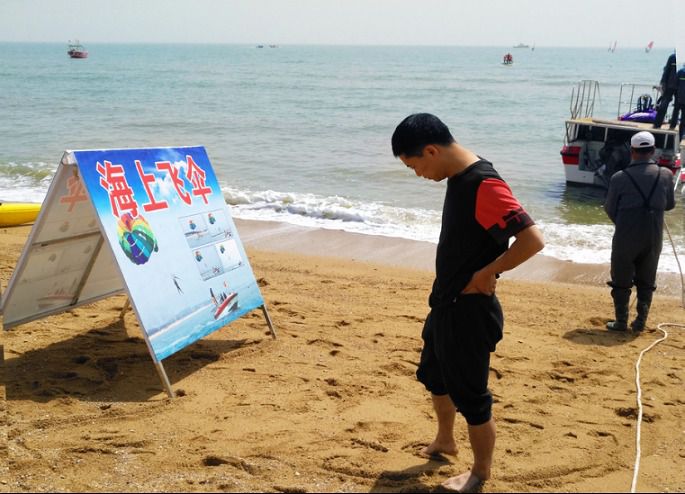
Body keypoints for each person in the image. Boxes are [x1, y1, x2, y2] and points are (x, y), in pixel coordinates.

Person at [391, 114, 544, 493]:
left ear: (431, 151)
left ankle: (479, 473)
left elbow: (532, 240)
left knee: (473, 399)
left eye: (415, 166)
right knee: (434, 376)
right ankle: (445, 440)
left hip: (469, 312)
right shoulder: (459, 177)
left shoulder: (483, 184)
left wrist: (489, 271)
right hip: (446, 303)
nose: (418, 175)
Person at [604, 131, 675, 332]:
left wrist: (624, 223)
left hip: (626, 236)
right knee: (647, 281)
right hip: (653, 236)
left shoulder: (619, 178)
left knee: (621, 281)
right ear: (653, 150)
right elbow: (669, 205)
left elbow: (610, 208)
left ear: (632, 151)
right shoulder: (666, 175)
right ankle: (640, 322)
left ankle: (621, 322)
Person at [653, 52, 678, 129]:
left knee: (676, 107)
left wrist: (663, 83)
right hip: (672, 86)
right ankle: (659, 124)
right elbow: (666, 71)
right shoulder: (672, 57)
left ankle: (670, 125)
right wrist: (663, 83)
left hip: (676, 86)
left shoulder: (672, 57)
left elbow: (666, 71)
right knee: (665, 105)